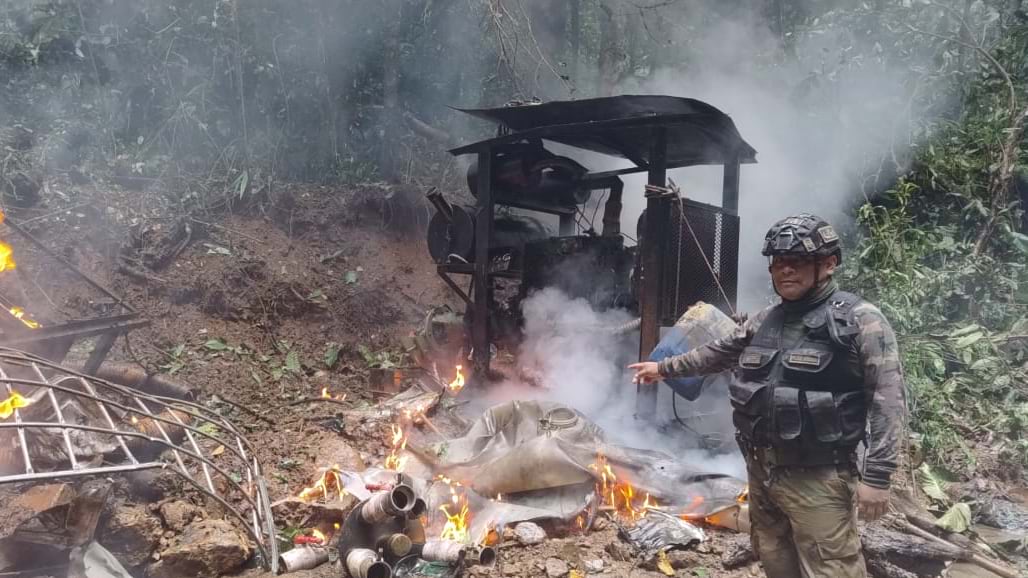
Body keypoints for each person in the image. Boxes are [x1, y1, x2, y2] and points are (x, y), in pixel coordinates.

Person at [629, 214, 906, 578]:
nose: (785, 271)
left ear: (828, 264)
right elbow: (719, 351)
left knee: (832, 568)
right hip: (762, 472)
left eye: (797, 262)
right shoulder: (765, 320)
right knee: (774, 558)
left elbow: (888, 400)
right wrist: (663, 369)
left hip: (819, 476)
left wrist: (878, 476)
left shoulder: (860, 320)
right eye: (778, 263)